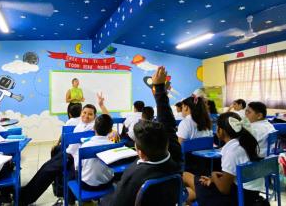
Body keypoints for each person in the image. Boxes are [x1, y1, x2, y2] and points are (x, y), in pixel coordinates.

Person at [101, 66, 182, 206]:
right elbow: (168, 123)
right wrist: (159, 87)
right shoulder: (175, 157)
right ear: (167, 143)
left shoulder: (132, 175)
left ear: (139, 151)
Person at [20, 93, 108, 205]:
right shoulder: (80, 122)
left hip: (73, 158)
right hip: (67, 153)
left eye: (90, 114)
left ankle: (25, 198)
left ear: (95, 117)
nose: (86, 116)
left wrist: (101, 105)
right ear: (81, 113)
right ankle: (25, 193)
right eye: (84, 112)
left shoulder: (93, 125)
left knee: (48, 171)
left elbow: (107, 118)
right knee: (45, 168)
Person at [183, 112, 264, 206]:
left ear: (220, 130)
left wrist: (213, 176)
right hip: (251, 196)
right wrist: (214, 180)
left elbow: (224, 189)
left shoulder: (231, 151)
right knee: (194, 190)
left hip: (234, 199)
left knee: (185, 176)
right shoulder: (247, 144)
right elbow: (237, 173)